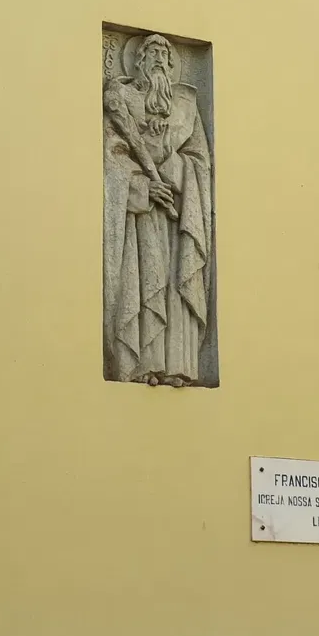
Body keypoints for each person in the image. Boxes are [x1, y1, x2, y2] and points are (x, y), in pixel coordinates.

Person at [103, 34, 213, 386]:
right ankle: (142, 364)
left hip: (179, 218)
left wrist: (171, 164)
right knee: (142, 278)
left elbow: (200, 163)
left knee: (177, 282)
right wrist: (142, 187)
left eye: (165, 55)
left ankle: (178, 365)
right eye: (151, 53)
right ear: (137, 62)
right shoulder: (122, 99)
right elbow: (112, 159)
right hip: (138, 221)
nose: (159, 59)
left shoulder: (186, 108)